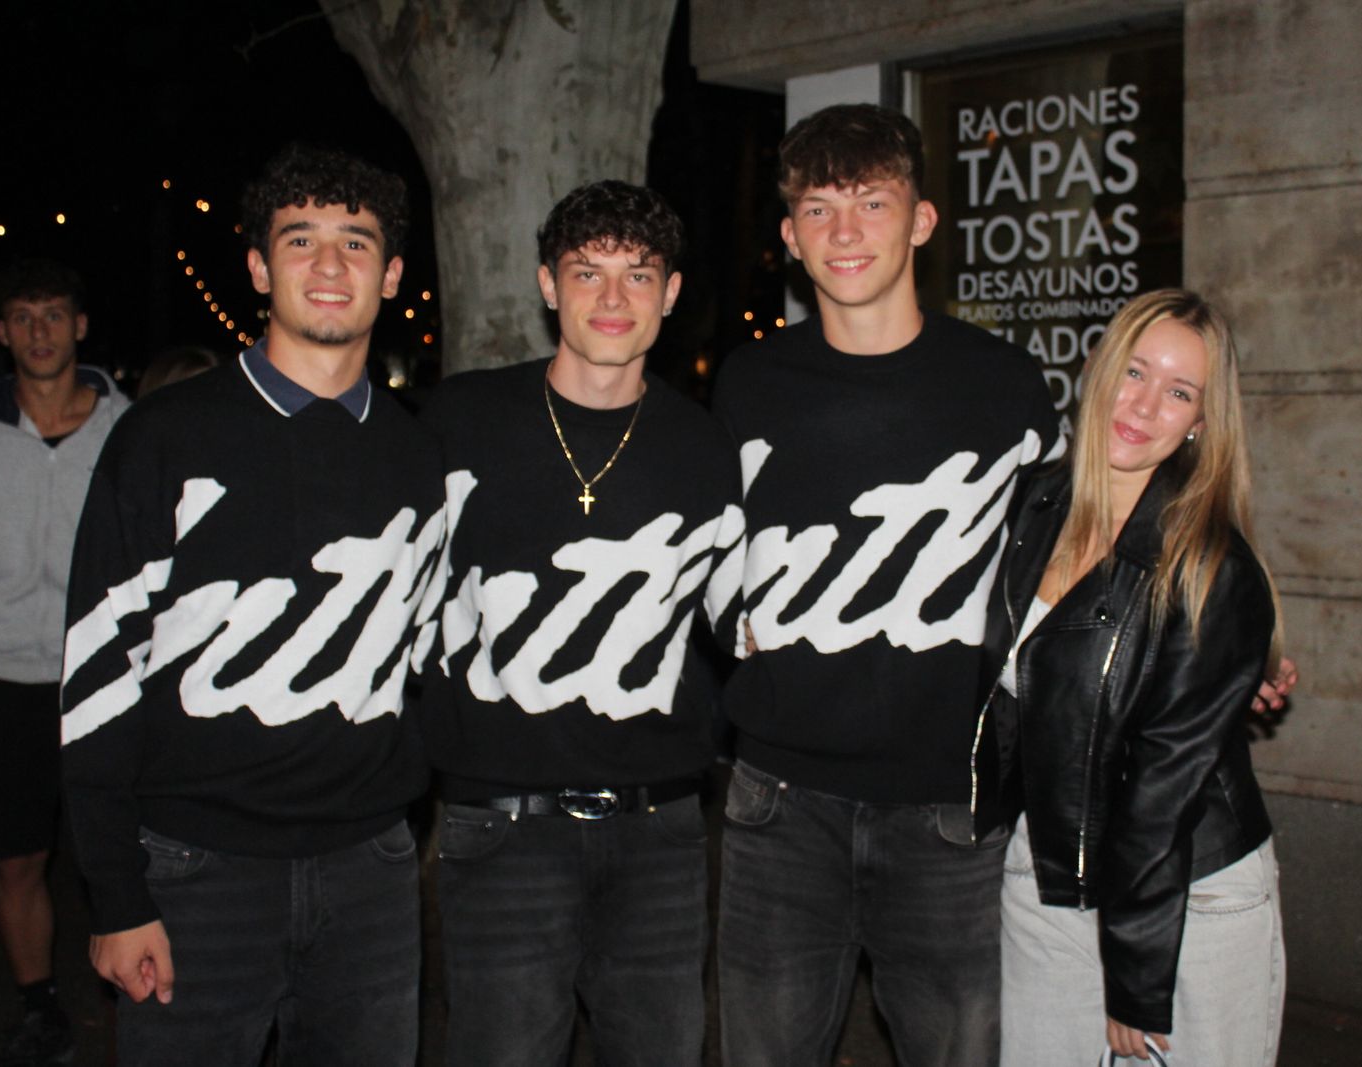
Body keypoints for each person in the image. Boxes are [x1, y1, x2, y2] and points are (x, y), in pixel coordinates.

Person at [59, 144, 445, 1067]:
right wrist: (118, 894)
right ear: (258, 267)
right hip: (196, 872)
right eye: (300, 238)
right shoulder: (164, 437)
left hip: (372, 874)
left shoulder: (417, 454)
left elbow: (426, 655)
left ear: (390, 275)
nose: (327, 264)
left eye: (356, 242)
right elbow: (99, 675)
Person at [709, 103, 1062, 1065]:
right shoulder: (747, 383)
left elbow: (1080, 554)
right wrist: (728, 615)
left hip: (952, 808)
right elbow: (705, 551)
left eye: (872, 201)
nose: (846, 231)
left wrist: (1223, 640)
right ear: (788, 237)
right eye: (819, 209)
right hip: (777, 802)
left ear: (921, 220)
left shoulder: (1005, 385)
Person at [419, 179, 742, 1066]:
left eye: (637, 275)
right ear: (546, 285)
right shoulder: (462, 421)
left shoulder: (703, 444)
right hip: (504, 825)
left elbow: (739, 619)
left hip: (664, 833)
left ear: (671, 295)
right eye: (586, 272)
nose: (611, 298)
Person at [979, 289, 1286, 1066]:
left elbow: (1165, 786)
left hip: (1190, 893)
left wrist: (1137, 972)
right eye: (1137, 372)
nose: (1146, 405)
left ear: (1203, 421)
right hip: (1046, 871)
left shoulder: (1212, 565)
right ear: (1101, 367)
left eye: (1180, 392)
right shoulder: (1031, 505)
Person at [0, 258, 129, 1066]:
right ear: (1, 332)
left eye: (54, 314)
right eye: (22, 316)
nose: (39, 331)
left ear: (80, 326)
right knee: (17, 854)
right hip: (1, 677)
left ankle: (135, 996)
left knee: (115, 852)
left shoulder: (127, 424)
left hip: (105, 676)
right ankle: (38, 1005)